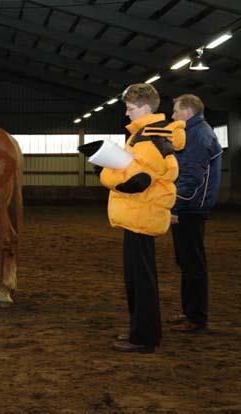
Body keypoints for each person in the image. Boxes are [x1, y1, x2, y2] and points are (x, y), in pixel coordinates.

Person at [99, 83, 185, 353]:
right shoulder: (146, 135)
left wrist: (108, 174)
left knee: (141, 280)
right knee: (139, 279)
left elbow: (138, 180)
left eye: (131, 108)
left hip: (140, 215)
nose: (127, 114)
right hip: (140, 215)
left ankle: (144, 338)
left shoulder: (147, 139)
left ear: (146, 107)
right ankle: (142, 332)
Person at [169, 94, 222, 333]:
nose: (172, 116)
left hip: (190, 209)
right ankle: (189, 312)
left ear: (187, 112)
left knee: (193, 264)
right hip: (189, 208)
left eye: (175, 111)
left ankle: (197, 318)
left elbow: (190, 177)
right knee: (188, 262)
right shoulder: (195, 132)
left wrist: (175, 206)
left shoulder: (198, 135)